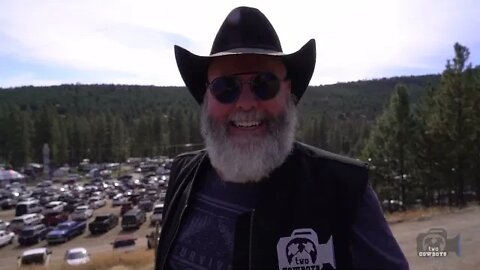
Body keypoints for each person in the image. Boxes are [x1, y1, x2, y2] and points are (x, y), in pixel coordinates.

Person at [156, 6, 409, 270]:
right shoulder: (182, 174)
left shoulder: (344, 191)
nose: (245, 104)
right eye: (225, 87)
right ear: (207, 98)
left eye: (264, 84)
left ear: (288, 92)